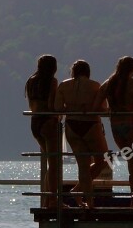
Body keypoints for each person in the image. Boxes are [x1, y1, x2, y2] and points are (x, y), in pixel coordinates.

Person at [93, 56, 133, 209]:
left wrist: (111, 111)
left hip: (116, 127)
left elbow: (96, 106)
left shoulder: (108, 84)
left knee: (130, 162)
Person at [55, 60, 110, 208]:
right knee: (103, 159)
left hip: (72, 125)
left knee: (83, 166)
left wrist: (72, 109)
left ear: (73, 72)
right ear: (88, 71)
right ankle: (80, 192)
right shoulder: (95, 85)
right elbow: (102, 108)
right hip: (91, 124)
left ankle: (87, 200)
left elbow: (58, 108)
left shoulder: (63, 86)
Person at [26, 55, 62, 208]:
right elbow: (52, 104)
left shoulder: (31, 81)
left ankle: (48, 199)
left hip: (35, 122)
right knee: (54, 164)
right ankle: (52, 200)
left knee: (50, 162)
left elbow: (31, 105)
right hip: (48, 121)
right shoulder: (52, 81)